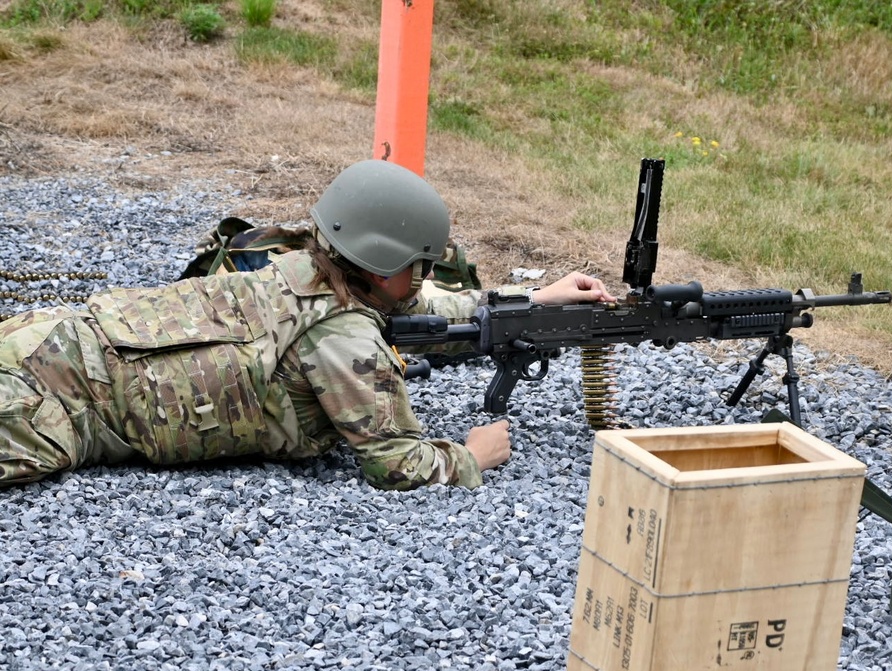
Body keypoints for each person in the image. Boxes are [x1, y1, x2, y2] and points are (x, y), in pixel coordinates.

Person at [0, 159, 615, 490]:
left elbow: (419, 307)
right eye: (418, 265)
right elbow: (398, 464)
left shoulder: (300, 265)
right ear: (381, 265)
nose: (427, 276)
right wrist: (472, 455)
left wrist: (532, 296)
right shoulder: (344, 340)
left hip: (45, 337)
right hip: (56, 404)